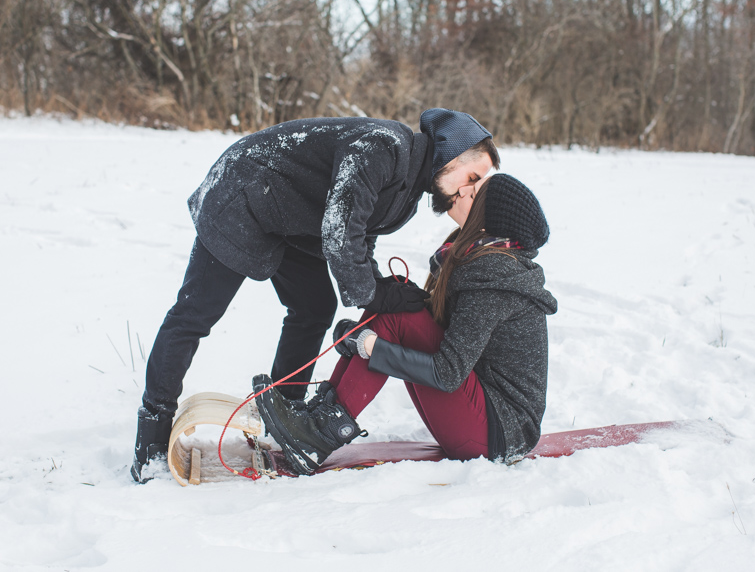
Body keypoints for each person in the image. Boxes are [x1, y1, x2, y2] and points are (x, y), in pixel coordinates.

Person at [131, 108, 500, 482]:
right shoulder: (383, 146)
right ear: (447, 153)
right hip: (242, 191)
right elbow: (341, 230)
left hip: (284, 215)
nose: (471, 190)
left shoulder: (408, 191)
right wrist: (374, 296)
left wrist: (379, 286)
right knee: (194, 315)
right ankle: (151, 438)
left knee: (314, 308)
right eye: (472, 177)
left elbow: (360, 233)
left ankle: (283, 414)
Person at [252, 173, 558, 475]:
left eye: (475, 194)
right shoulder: (477, 261)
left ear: (489, 219)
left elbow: (447, 372)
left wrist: (372, 346)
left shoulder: (495, 278)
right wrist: (362, 337)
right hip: (481, 414)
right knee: (399, 300)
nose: (463, 191)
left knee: (400, 316)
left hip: (498, 435)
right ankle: (320, 417)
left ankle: (319, 434)